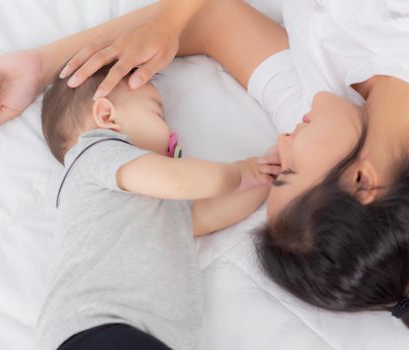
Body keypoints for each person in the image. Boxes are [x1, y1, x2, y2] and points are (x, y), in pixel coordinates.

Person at [0, 0, 409, 343]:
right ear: (361, 181)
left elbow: (208, 20)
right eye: (289, 173)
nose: (281, 144)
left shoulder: (317, 113)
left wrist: (45, 65)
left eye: (281, 170)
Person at [36, 61, 275, 350]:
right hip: (97, 325)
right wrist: (235, 173)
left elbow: (207, 215)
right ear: (107, 115)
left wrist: (264, 175)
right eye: (158, 112)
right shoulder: (95, 151)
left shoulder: (155, 201)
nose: (171, 131)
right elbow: (181, 181)